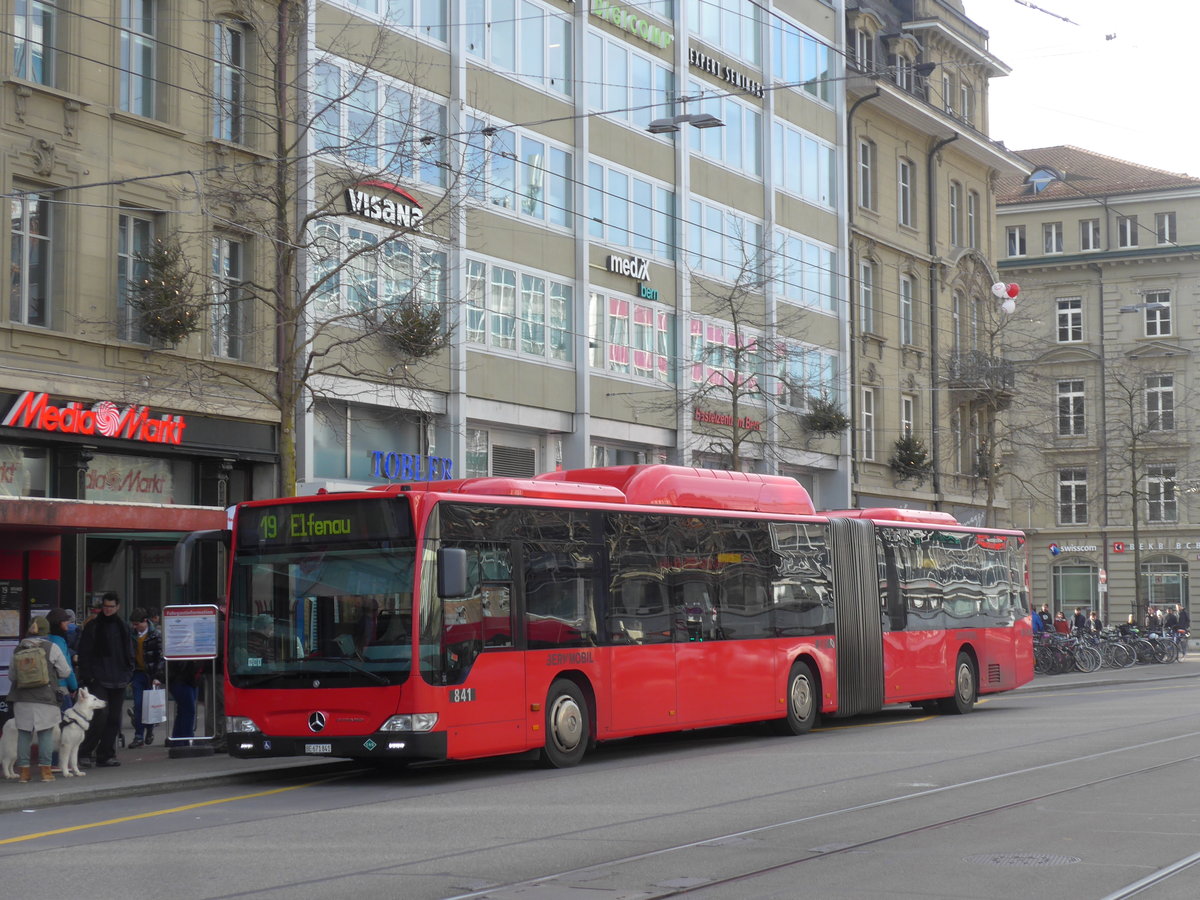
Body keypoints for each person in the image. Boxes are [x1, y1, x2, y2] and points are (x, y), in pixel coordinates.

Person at [7, 616, 71, 782]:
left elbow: (12, 675)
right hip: (46, 697)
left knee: (24, 734)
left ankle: (24, 773)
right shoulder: (52, 647)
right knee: (45, 733)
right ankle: (46, 772)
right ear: (47, 630)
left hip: (22, 698)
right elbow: (65, 672)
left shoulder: (18, 649)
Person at [76, 590, 135, 768]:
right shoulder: (93, 626)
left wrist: (128, 673)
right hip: (99, 678)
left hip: (118, 678)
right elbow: (84, 653)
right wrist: (89, 677)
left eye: (111, 606)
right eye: (105, 606)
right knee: (100, 717)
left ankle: (106, 754)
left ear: (117, 607)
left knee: (114, 719)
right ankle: (85, 752)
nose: (108, 610)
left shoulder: (122, 626)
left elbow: (129, 651)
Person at [128, 607, 164, 748]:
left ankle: (149, 730)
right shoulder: (132, 635)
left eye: (137, 624)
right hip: (137, 672)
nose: (134, 627)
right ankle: (139, 735)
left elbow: (160, 657)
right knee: (138, 705)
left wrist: (158, 676)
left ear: (145, 621)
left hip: (150, 673)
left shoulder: (155, 635)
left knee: (150, 705)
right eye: (133, 624)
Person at [168, 658, 205, 741]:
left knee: (183, 711)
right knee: (189, 711)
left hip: (186, 680)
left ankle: (178, 739)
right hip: (184, 679)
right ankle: (187, 738)